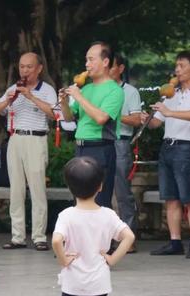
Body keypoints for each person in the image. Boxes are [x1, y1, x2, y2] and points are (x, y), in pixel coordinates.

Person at [34, 157, 135, 296]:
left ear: (70, 188)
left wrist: (63, 260)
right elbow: (129, 236)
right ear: (100, 186)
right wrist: (112, 259)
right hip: (99, 283)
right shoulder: (108, 215)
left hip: (74, 283)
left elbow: (57, 241)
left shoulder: (67, 216)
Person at [145, 50, 190, 259]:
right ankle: (175, 241)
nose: (177, 70)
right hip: (168, 146)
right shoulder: (171, 93)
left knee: (189, 197)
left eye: (182, 66)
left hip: (187, 147)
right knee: (170, 198)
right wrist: (144, 118)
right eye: (176, 66)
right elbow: (157, 122)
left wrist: (169, 112)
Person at [0, 52, 57, 251]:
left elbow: (55, 114)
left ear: (39, 69)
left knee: (37, 189)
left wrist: (31, 97)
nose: (25, 71)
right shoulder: (13, 88)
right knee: (16, 190)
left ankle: (39, 236)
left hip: (36, 139)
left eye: (29, 67)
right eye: (22, 67)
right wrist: (9, 100)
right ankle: (17, 236)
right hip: (16, 139)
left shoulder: (46, 90)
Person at [60, 41, 124, 208]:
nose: (87, 64)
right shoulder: (86, 88)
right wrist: (64, 102)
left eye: (91, 59)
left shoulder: (115, 90)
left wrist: (79, 97)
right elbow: (69, 118)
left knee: (99, 201)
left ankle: (102, 235)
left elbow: (101, 118)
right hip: (80, 147)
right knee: (79, 201)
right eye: (86, 60)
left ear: (105, 62)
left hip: (100, 148)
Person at [109, 53, 141, 252]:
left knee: (122, 191)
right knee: (101, 192)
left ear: (120, 69)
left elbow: (137, 119)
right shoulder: (96, 89)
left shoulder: (130, 91)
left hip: (120, 142)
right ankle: (104, 237)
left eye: (110, 66)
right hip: (98, 142)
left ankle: (127, 238)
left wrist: (113, 115)